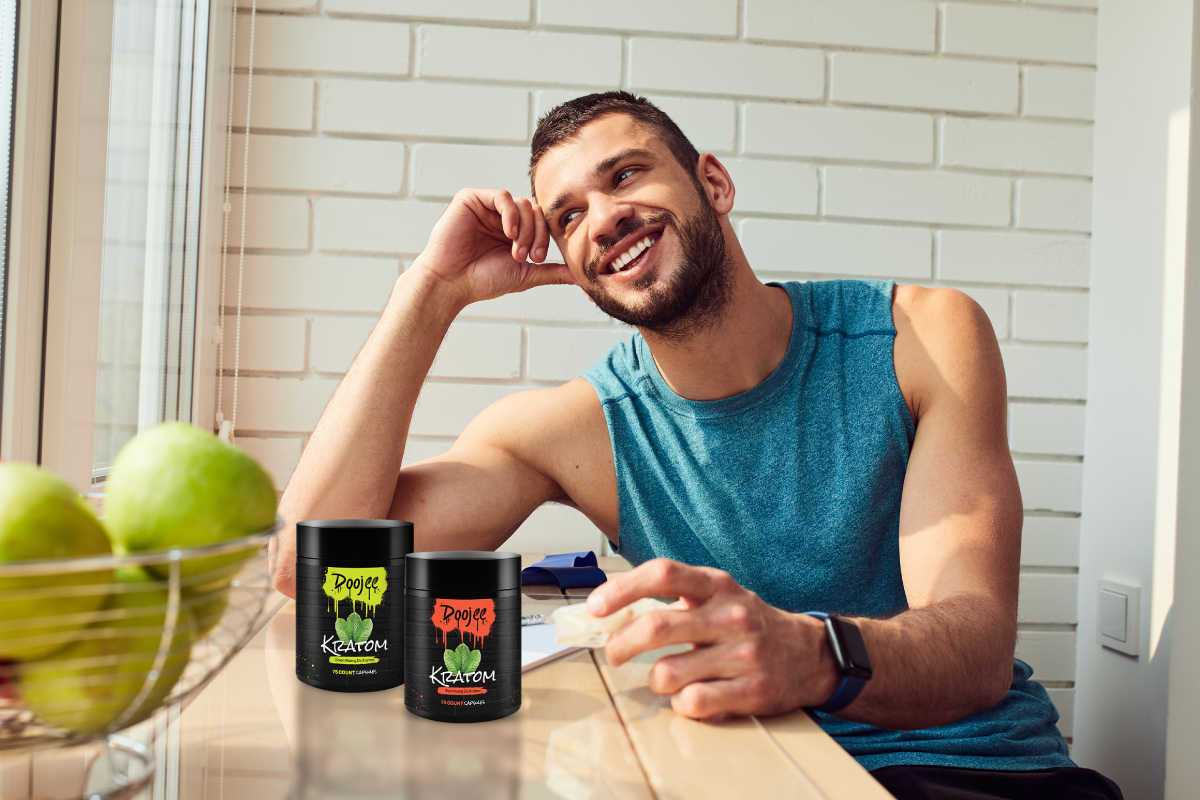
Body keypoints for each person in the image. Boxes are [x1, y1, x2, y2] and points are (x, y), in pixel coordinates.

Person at [272, 92, 1122, 800]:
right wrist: (430, 293)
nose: (603, 218)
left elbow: (973, 649)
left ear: (713, 181)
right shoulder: (576, 431)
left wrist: (813, 652)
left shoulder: (920, 337)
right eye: (568, 214)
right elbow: (310, 566)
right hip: (746, 774)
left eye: (626, 174)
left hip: (965, 771)